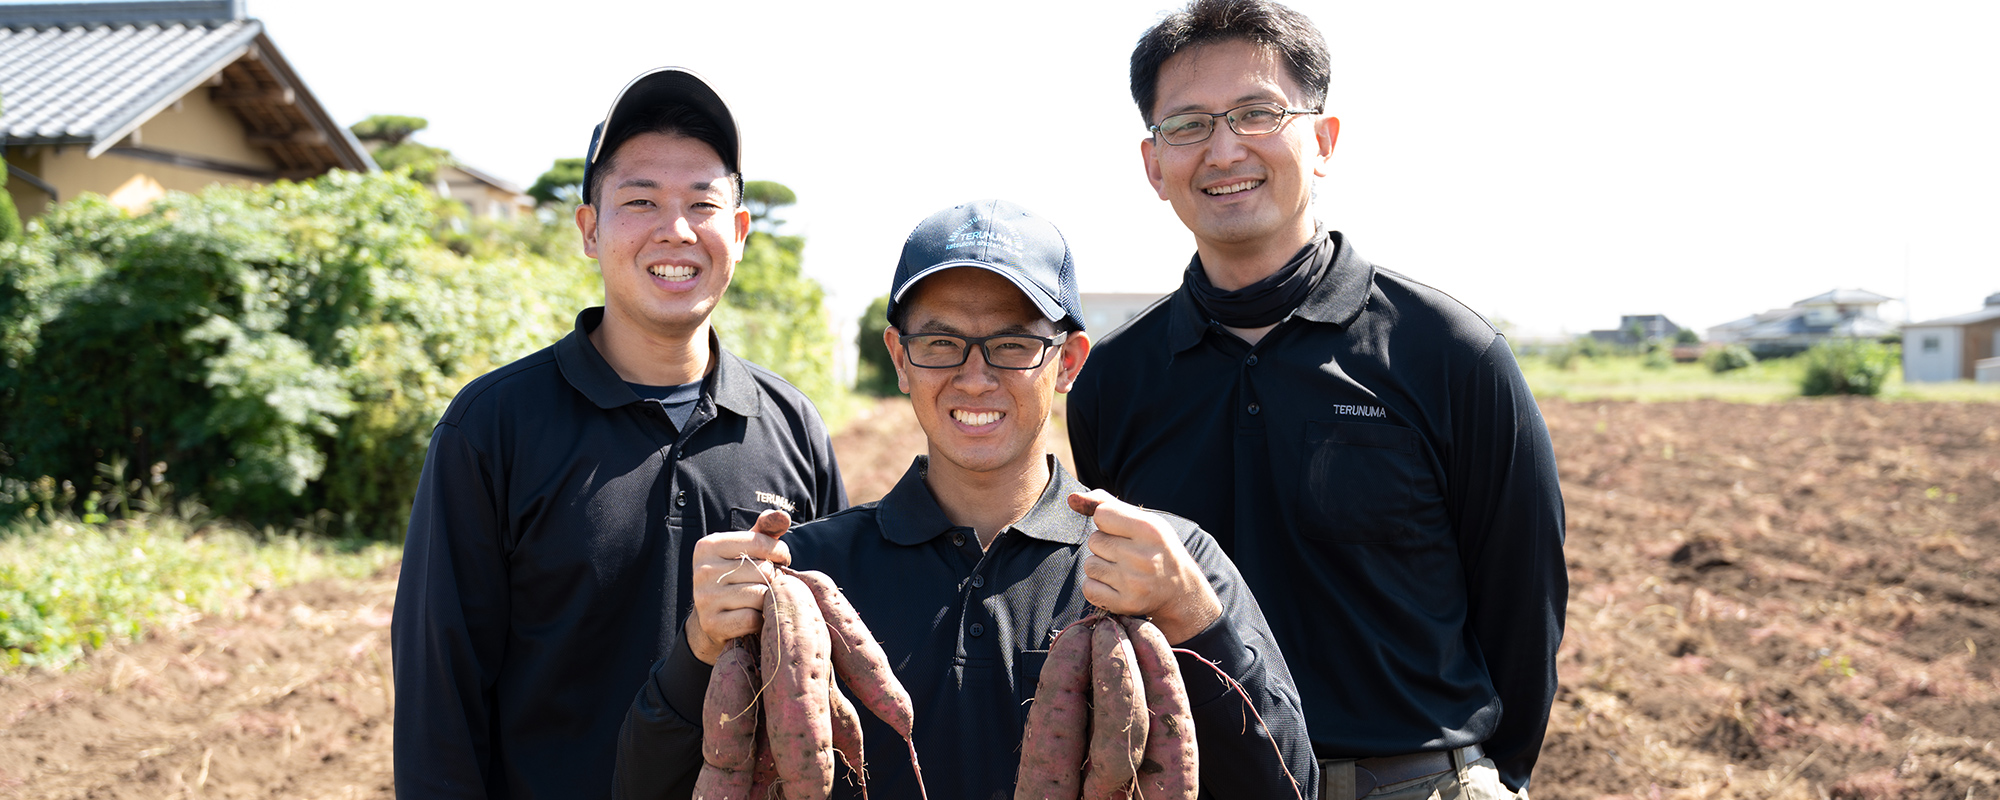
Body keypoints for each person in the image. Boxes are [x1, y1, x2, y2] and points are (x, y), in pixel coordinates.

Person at [611, 199, 1317, 799]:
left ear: (1067, 363)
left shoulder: (1167, 563)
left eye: (1012, 345)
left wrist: (1197, 620)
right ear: (899, 358)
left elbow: (1290, 784)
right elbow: (647, 785)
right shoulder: (812, 574)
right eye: (942, 344)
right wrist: (699, 649)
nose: (975, 379)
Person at [1066, 2, 1568, 798]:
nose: (1225, 149)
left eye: (1258, 113)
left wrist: (1483, 779)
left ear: (1324, 141)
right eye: (1188, 125)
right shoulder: (1117, 384)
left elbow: (1523, 607)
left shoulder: (1451, 355)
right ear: (1154, 164)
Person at [391, 67, 847, 798]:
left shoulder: (790, 427)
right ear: (589, 229)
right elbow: (438, 699)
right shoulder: (494, 428)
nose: (675, 229)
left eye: (702, 203)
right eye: (640, 201)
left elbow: (823, 677)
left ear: (738, 233)